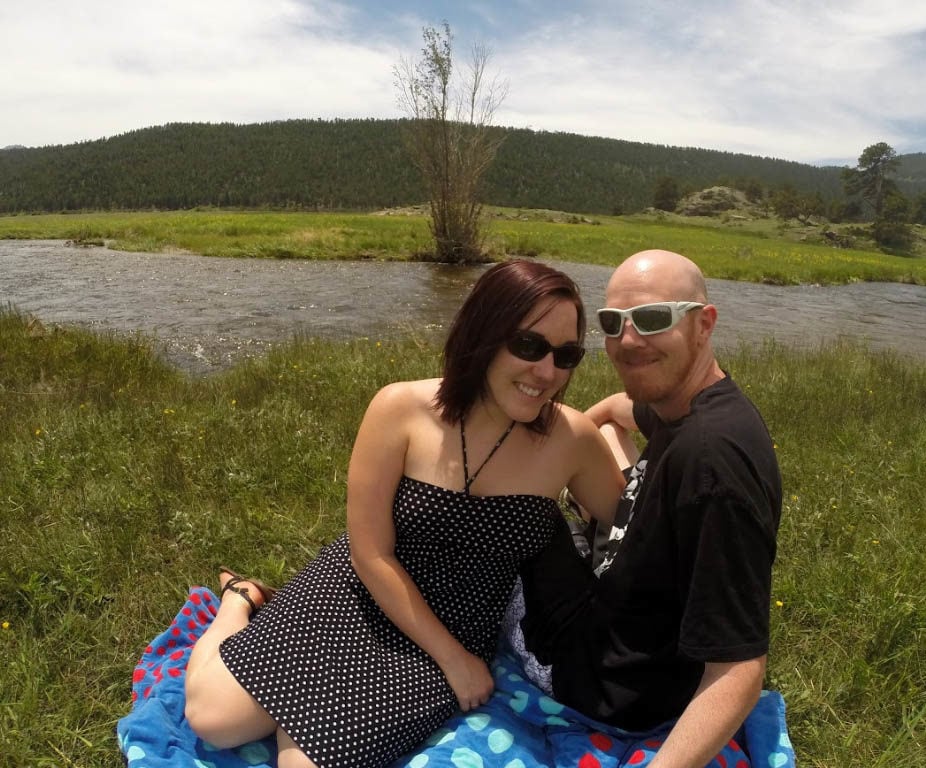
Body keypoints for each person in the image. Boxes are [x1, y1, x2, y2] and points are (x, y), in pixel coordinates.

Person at [183, 259, 626, 768]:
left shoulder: (571, 441)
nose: (546, 372)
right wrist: (454, 660)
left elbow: (633, 522)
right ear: (484, 334)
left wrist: (631, 416)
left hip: (451, 628)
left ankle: (297, 712)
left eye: (565, 355)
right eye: (528, 345)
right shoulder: (399, 409)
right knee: (212, 721)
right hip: (359, 591)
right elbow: (370, 552)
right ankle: (239, 600)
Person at [517, 249, 783, 768]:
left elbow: (740, 668)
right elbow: (617, 409)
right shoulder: (690, 404)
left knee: (518, 513)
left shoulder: (711, 466)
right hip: (632, 601)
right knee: (612, 432)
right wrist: (558, 443)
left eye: (654, 319)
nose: (629, 341)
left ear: (703, 324)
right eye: (613, 323)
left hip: (608, 682)